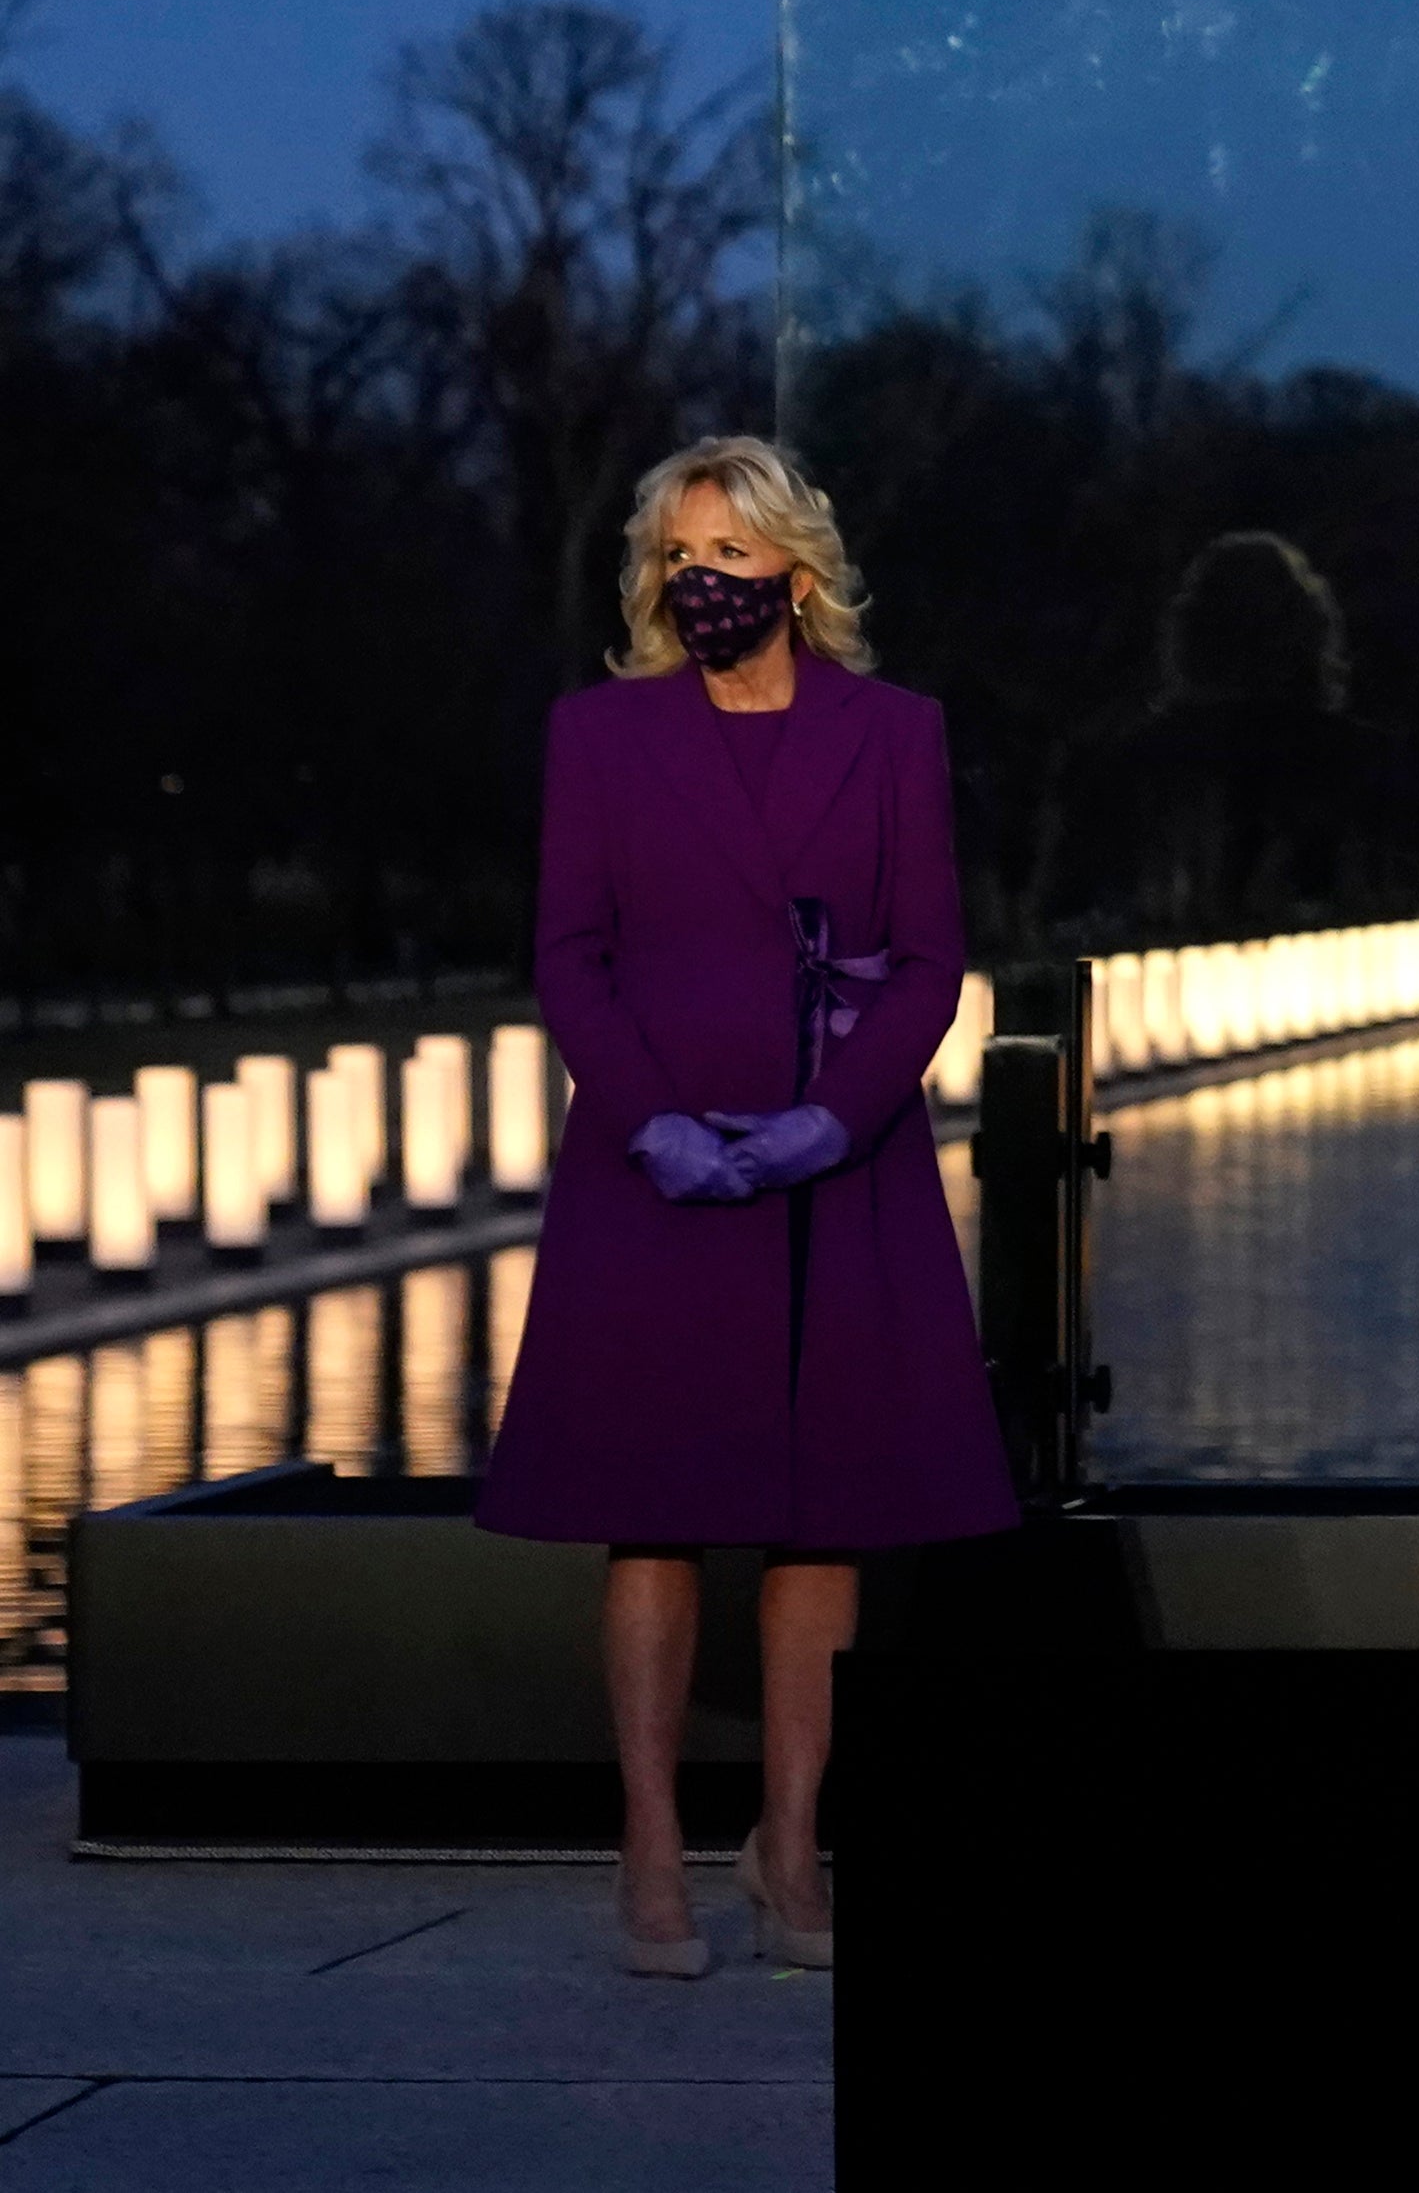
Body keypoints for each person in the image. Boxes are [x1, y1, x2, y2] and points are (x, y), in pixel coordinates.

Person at [476, 434, 1013, 1975]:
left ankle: (792, 1845)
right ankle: (651, 1851)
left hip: (833, 1163)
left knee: (822, 1514)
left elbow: (927, 958)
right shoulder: (600, 733)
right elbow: (568, 951)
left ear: (795, 566)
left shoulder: (895, 731)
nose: (700, 582)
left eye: (728, 555)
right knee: (646, 1510)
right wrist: (650, 1125)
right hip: (654, 1161)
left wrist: (821, 1126)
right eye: (677, 559)